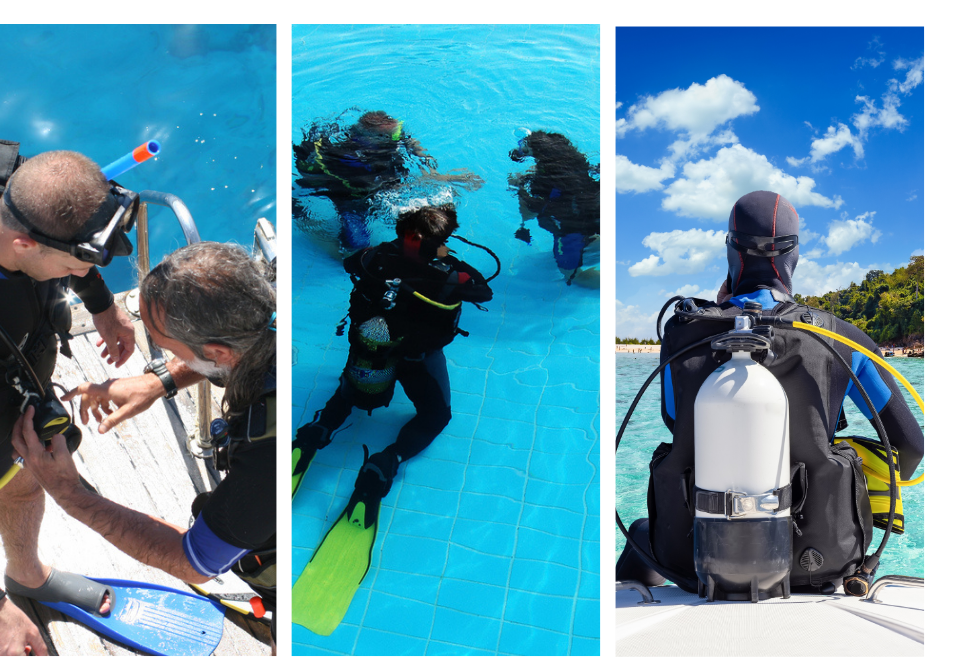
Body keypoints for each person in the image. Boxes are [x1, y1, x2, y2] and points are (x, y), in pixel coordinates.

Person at [615, 190, 924, 594]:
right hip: (821, 559)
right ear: (793, 255)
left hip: (693, 559)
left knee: (641, 531)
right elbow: (911, 446)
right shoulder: (842, 339)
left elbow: (678, 422)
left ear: (731, 250)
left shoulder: (682, 334)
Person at [14, 242, 278, 654]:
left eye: (171, 350)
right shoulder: (271, 315)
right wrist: (159, 381)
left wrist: (69, 493)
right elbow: (231, 351)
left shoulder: (267, 461)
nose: (168, 358)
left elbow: (191, 561)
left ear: (219, 353)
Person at [0, 140, 137, 656]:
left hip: (11, 411)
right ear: (22, 245)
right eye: (76, 268)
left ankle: (28, 574)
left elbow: (70, 235)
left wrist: (102, 303)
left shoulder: (10, 194)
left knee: (22, 485)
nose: (83, 276)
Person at [292, 204, 493, 517]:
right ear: (440, 240)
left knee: (350, 389)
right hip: (417, 362)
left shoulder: (375, 257)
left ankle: (320, 428)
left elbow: (349, 263)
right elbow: (483, 292)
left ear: (403, 232)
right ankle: (389, 460)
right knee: (436, 416)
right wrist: (441, 259)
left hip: (370, 349)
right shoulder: (454, 274)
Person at [293, 110, 484, 250]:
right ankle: (306, 225)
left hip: (371, 182)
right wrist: (448, 178)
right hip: (351, 197)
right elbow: (390, 188)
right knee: (356, 246)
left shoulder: (383, 141)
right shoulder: (353, 161)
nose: (399, 138)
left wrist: (420, 152)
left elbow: (406, 138)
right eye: (393, 135)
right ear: (371, 141)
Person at [508, 130, 600, 285]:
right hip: (597, 218)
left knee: (571, 276)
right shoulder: (580, 166)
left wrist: (519, 189)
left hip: (572, 232)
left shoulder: (541, 185)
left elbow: (528, 214)